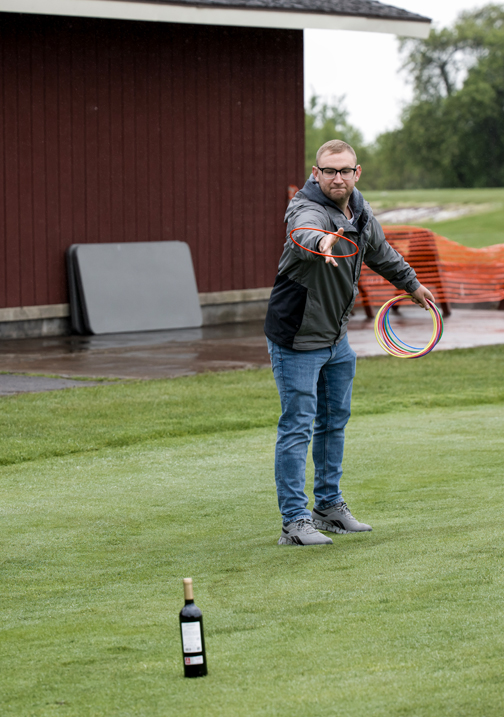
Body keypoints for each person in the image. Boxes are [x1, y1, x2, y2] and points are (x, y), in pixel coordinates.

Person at [264, 139, 434, 546]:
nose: (336, 178)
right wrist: (322, 242)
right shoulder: (306, 208)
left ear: (356, 173)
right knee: (297, 426)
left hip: (336, 339)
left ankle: (328, 508)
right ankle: (294, 521)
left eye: (344, 171)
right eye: (329, 171)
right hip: (298, 337)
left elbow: (380, 251)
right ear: (316, 173)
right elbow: (304, 232)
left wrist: (412, 285)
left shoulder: (359, 209)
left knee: (333, 422)